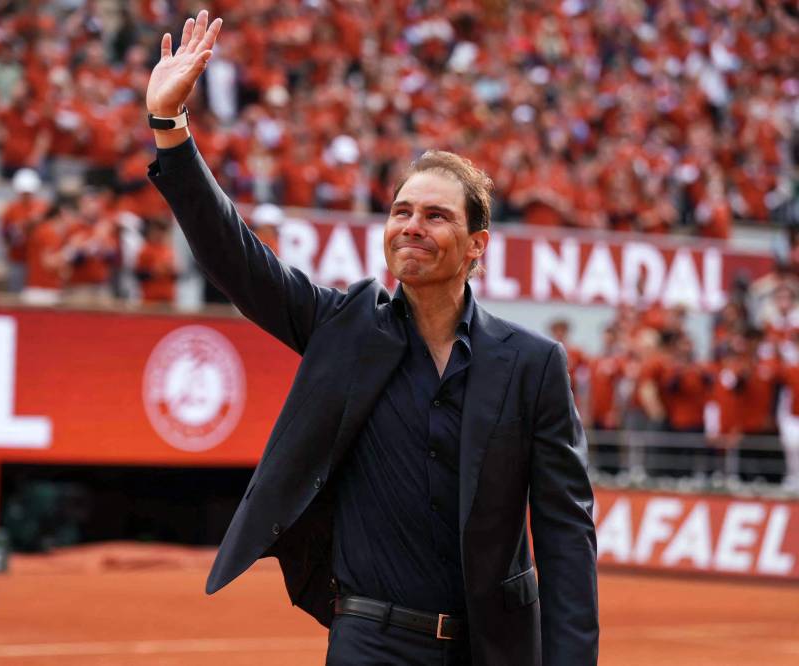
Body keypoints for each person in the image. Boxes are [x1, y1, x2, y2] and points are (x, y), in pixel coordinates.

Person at [146, 11, 598, 666]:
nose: (411, 226)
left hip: (491, 648)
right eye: (401, 211)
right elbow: (236, 258)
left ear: (477, 246)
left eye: (436, 215)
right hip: (369, 639)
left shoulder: (532, 365)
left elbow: (565, 535)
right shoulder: (343, 326)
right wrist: (171, 130)